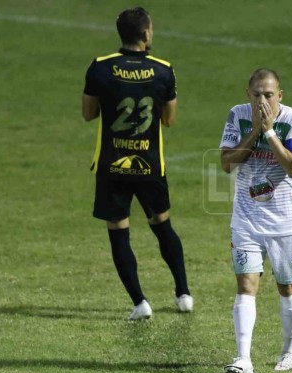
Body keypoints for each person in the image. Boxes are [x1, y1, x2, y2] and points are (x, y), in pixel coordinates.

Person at [81, 7, 193, 320]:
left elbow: (88, 114)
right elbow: (169, 120)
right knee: (162, 225)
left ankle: (140, 303)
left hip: (112, 165)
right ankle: (183, 293)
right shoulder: (163, 69)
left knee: (119, 232)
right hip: (149, 165)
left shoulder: (100, 68)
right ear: (145, 34)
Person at [220, 68, 292, 373]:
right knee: (246, 286)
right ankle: (243, 358)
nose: (262, 100)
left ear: (280, 95)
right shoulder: (237, 115)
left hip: (284, 224)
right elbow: (227, 163)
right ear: (247, 94)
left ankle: (289, 350)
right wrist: (254, 130)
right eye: (257, 94)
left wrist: (270, 132)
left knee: (286, 287)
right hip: (246, 220)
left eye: (269, 95)